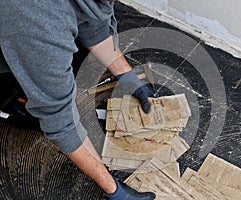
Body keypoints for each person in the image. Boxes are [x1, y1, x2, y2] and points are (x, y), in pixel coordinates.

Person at [0, 1, 155, 199]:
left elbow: (91, 19)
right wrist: (114, 189)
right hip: (24, 25)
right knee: (43, 108)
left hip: (32, 26)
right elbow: (61, 121)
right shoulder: (40, 21)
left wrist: (128, 78)